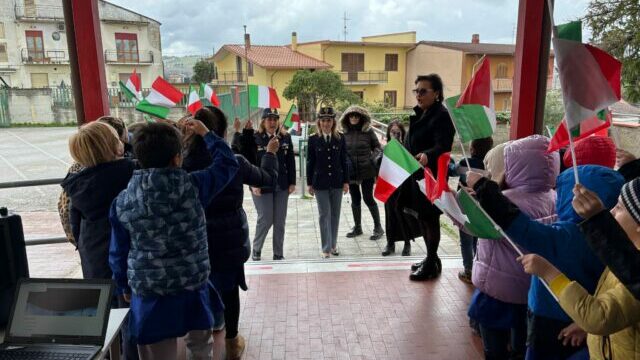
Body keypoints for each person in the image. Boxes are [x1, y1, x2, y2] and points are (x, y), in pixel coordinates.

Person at [109, 121, 239, 359]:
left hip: (149, 291)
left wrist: (124, 286)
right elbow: (229, 163)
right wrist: (206, 133)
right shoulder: (194, 186)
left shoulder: (122, 201)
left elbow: (118, 252)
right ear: (177, 158)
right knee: (201, 347)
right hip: (192, 284)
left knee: (156, 353)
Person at [467, 165, 624, 360]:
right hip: (586, 321)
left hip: (548, 318)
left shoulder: (564, 236)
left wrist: (483, 186)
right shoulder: (618, 241)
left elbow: (518, 225)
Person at [182, 106, 278, 360]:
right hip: (228, 238)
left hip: (195, 239)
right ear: (221, 131)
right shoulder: (233, 162)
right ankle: (232, 343)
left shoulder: (181, 163)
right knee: (229, 290)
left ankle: (203, 339)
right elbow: (266, 178)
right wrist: (269, 154)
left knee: (199, 290)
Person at [519, 178, 640, 360]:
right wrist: (586, 326)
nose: (612, 211)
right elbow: (615, 307)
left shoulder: (632, 265)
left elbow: (599, 318)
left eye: (620, 208)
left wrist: (549, 273)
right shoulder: (626, 256)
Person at [467, 135, 559, 360]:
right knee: (521, 342)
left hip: (498, 288)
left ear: (514, 166)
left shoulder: (502, 202)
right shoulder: (556, 197)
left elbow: (473, 227)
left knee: (494, 346)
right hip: (533, 286)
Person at [61, 121, 138, 359]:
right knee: (132, 321)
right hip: (128, 258)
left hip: (95, 260)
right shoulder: (131, 171)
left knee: (106, 322)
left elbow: (74, 226)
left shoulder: (76, 185)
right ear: (113, 146)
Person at [403, 74, 455, 281]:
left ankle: (431, 263)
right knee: (423, 218)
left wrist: (428, 154)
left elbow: (443, 145)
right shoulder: (422, 113)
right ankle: (430, 258)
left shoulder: (441, 115)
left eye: (423, 91)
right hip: (417, 174)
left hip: (432, 175)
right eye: (416, 91)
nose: (418, 95)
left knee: (430, 218)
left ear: (437, 94)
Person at [235, 108, 296, 261]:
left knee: (280, 221)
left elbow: (290, 161)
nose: (272, 122)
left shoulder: (285, 137)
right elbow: (247, 160)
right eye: (269, 119)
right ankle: (256, 249)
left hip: (281, 184)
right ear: (263, 121)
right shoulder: (255, 138)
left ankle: (278, 253)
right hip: (261, 185)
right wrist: (252, 184)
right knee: (266, 218)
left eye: (275, 119)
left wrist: (292, 182)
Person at [307, 106, 350, 258]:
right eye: (323, 120)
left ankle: (333, 245)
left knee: (335, 214)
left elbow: (344, 160)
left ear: (333, 122)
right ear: (319, 122)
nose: (326, 123)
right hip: (320, 183)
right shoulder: (313, 139)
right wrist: (309, 183)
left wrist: (346, 181)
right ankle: (326, 247)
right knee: (324, 214)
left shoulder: (340, 138)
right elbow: (310, 162)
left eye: (329, 120)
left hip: (337, 181)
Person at [449, 137, 493, 283]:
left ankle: (468, 270)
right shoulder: (489, 165)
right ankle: (479, 269)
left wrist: (448, 159)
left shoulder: (464, 163)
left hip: (465, 207)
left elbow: (452, 171)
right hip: (483, 208)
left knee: (465, 240)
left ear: (472, 149)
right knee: (478, 240)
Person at [339, 105, 384, 240]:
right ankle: (357, 227)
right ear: (347, 118)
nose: (354, 118)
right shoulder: (343, 134)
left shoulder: (368, 132)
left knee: (368, 197)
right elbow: (341, 152)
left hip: (367, 171)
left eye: (356, 116)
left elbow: (377, 147)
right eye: (351, 115)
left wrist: (372, 159)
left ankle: (378, 227)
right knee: (355, 199)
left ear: (361, 117)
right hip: (351, 171)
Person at [381, 120, 420, 256]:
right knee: (390, 216)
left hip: (404, 187)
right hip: (389, 187)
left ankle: (407, 244)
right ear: (389, 133)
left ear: (402, 133)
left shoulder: (407, 148)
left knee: (403, 215)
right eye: (393, 132)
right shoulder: (385, 148)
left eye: (398, 132)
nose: (395, 135)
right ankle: (390, 243)